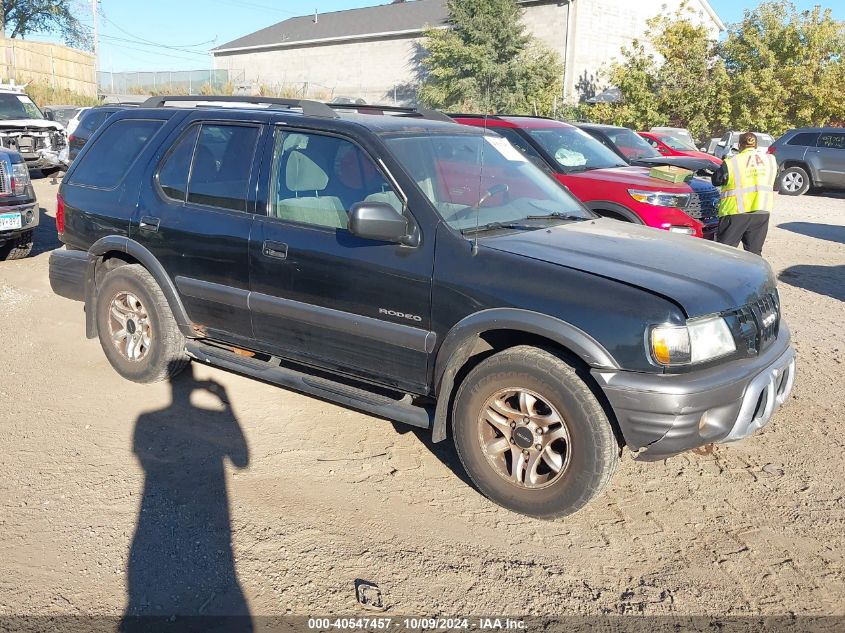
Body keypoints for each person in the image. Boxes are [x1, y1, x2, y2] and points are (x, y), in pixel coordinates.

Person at [711, 132, 778, 256]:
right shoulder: (770, 160)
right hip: (761, 211)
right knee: (754, 254)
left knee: (724, 253)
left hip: (735, 212)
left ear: (739, 145)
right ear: (756, 145)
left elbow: (716, 180)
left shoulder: (731, 162)